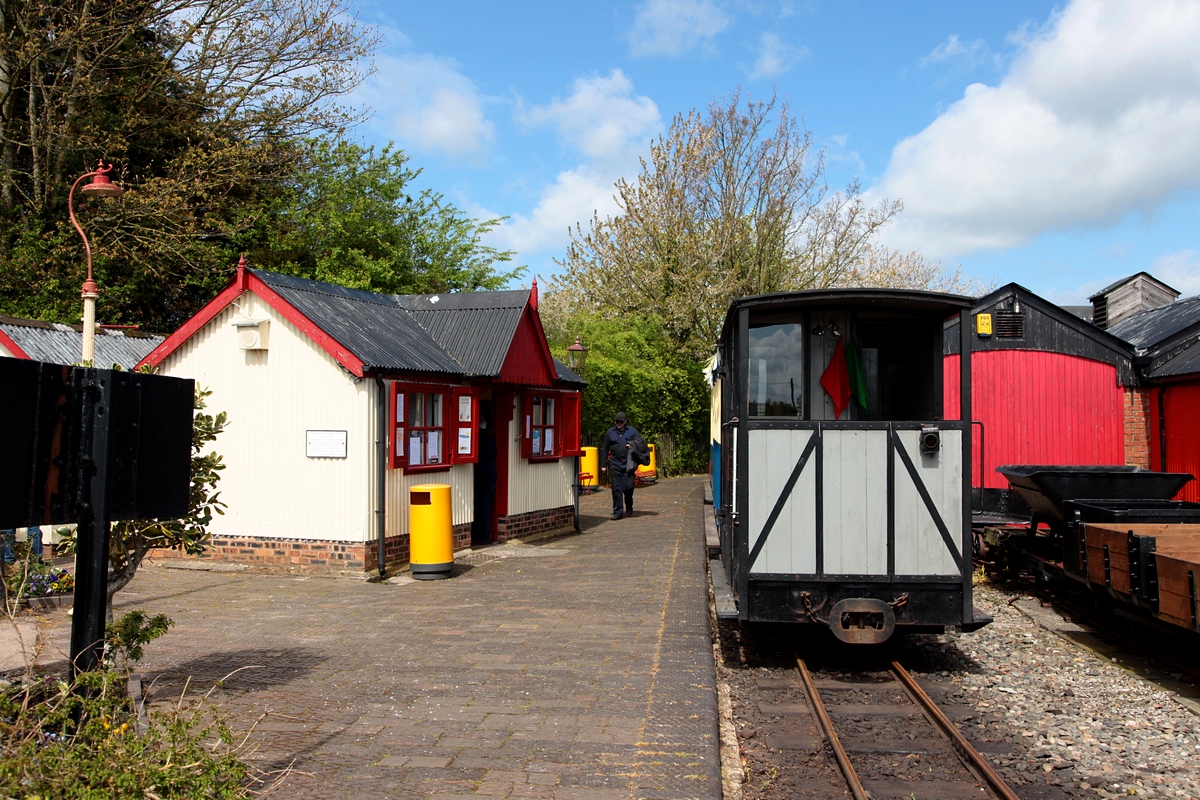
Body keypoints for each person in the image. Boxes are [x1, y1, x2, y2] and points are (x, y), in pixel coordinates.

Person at [601, 412, 639, 520]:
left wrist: (632, 445)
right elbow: (605, 449)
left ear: (625, 422)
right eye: (617, 422)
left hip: (628, 463)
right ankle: (618, 511)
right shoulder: (610, 433)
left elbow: (640, 443)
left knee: (628, 487)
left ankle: (629, 503)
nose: (619, 424)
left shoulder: (632, 431)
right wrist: (603, 464)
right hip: (615, 464)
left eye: (621, 422)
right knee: (616, 488)